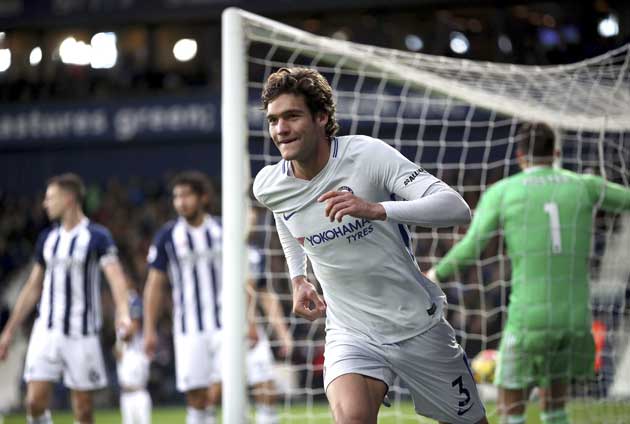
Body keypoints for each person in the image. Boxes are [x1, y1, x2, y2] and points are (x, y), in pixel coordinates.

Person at [253, 67, 488, 424]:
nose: (280, 129)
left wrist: (377, 209)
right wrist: (298, 275)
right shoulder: (269, 184)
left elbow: (457, 208)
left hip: (416, 325)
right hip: (351, 329)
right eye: (273, 120)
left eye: (292, 116)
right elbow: (284, 214)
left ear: (322, 117)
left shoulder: (366, 155)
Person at [427, 122, 630, 424]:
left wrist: (435, 275)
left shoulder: (504, 191)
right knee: (555, 410)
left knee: (513, 413)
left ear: (520, 155)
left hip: (529, 318)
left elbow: (472, 247)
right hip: (574, 319)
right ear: (556, 153)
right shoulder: (585, 185)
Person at [143, 171, 291, 424]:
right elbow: (154, 286)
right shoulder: (167, 237)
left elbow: (253, 282)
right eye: (176, 197)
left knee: (264, 388)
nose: (180, 202)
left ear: (203, 198)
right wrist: (149, 329)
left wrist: (257, 323)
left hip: (232, 325)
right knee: (199, 399)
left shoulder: (226, 231)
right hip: (190, 328)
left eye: (186, 195)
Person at [0, 173, 131, 424]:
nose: (45, 203)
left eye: (51, 197)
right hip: (46, 330)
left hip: (82, 334)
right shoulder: (47, 238)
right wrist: (9, 330)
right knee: (34, 402)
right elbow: (32, 287)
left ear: (69, 199)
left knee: (83, 409)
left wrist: (123, 312)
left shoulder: (97, 236)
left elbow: (116, 277)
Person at [115, 289, 151, 424]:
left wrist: (121, 334)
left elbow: (132, 329)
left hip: (140, 393)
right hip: (125, 394)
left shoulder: (140, 339)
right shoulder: (120, 305)